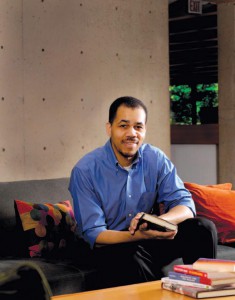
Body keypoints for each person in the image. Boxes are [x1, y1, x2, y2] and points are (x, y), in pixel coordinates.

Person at [69, 96, 217, 289]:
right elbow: (95, 235)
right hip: (111, 244)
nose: (132, 133)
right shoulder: (85, 170)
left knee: (202, 228)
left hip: (149, 236)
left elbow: (186, 205)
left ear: (145, 130)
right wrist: (141, 235)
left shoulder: (155, 158)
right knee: (127, 257)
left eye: (138, 127)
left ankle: (200, 292)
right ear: (109, 128)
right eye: (123, 126)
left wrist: (162, 223)